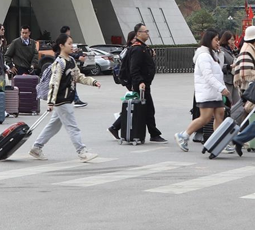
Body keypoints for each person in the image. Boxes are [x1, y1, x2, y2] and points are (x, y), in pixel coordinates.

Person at [29, 33, 100, 162]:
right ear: (61, 45)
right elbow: (54, 83)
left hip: (67, 98)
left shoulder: (71, 61)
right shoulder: (59, 63)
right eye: (69, 43)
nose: (71, 46)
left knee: (53, 126)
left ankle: (36, 148)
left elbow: (78, 77)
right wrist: (50, 102)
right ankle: (82, 152)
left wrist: (92, 82)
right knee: (73, 127)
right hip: (62, 100)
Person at [175, 30, 230, 152]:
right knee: (205, 118)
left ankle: (218, 142)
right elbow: (208, 76)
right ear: (208, 40)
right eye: (215, 39)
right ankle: (183, 135)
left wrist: (220, 54)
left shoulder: (212, 54)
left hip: (214, 92)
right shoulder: (204, 56)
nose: (218, 42)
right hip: (207, 92)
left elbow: (218, 70)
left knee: (220, 114)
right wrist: (221, 88)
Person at [109, 24, 165, 143]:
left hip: (143, 83)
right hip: (140, 85)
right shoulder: (137, 49)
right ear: (138, 34)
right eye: (145, 31)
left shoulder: (143, 48)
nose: (148, 33)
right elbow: (134, 68)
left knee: (142, 108)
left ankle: (115, 127)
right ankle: (154, 134)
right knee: (147, 109)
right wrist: (139, 82)